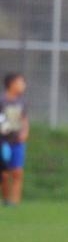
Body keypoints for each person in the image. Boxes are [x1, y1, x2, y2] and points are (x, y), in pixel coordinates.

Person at [0, 73, 30, 206]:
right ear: (11, 84)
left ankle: (15, 202)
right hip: (3, 142)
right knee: (4, 174)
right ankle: (6, 199)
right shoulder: (2, 101)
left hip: (17, 142)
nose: (23, 85)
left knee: (17, 172)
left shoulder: (22, 102)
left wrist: (25, 132)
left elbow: (24, 119)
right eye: (20, 82)